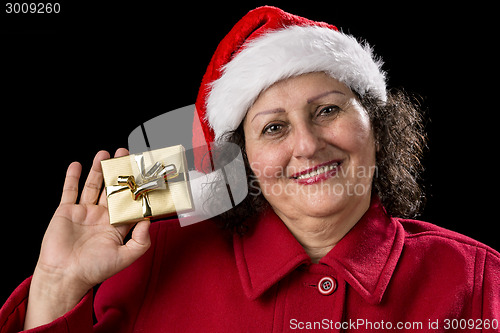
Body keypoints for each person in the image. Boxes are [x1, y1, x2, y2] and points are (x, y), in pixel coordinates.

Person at [1, 6, 499, 332]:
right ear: (240, 161)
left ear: (378, 125)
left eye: (329, 110)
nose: (307, 145)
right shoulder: (150, 262)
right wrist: (56, 284)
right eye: (273, 128)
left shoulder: (478, 278)